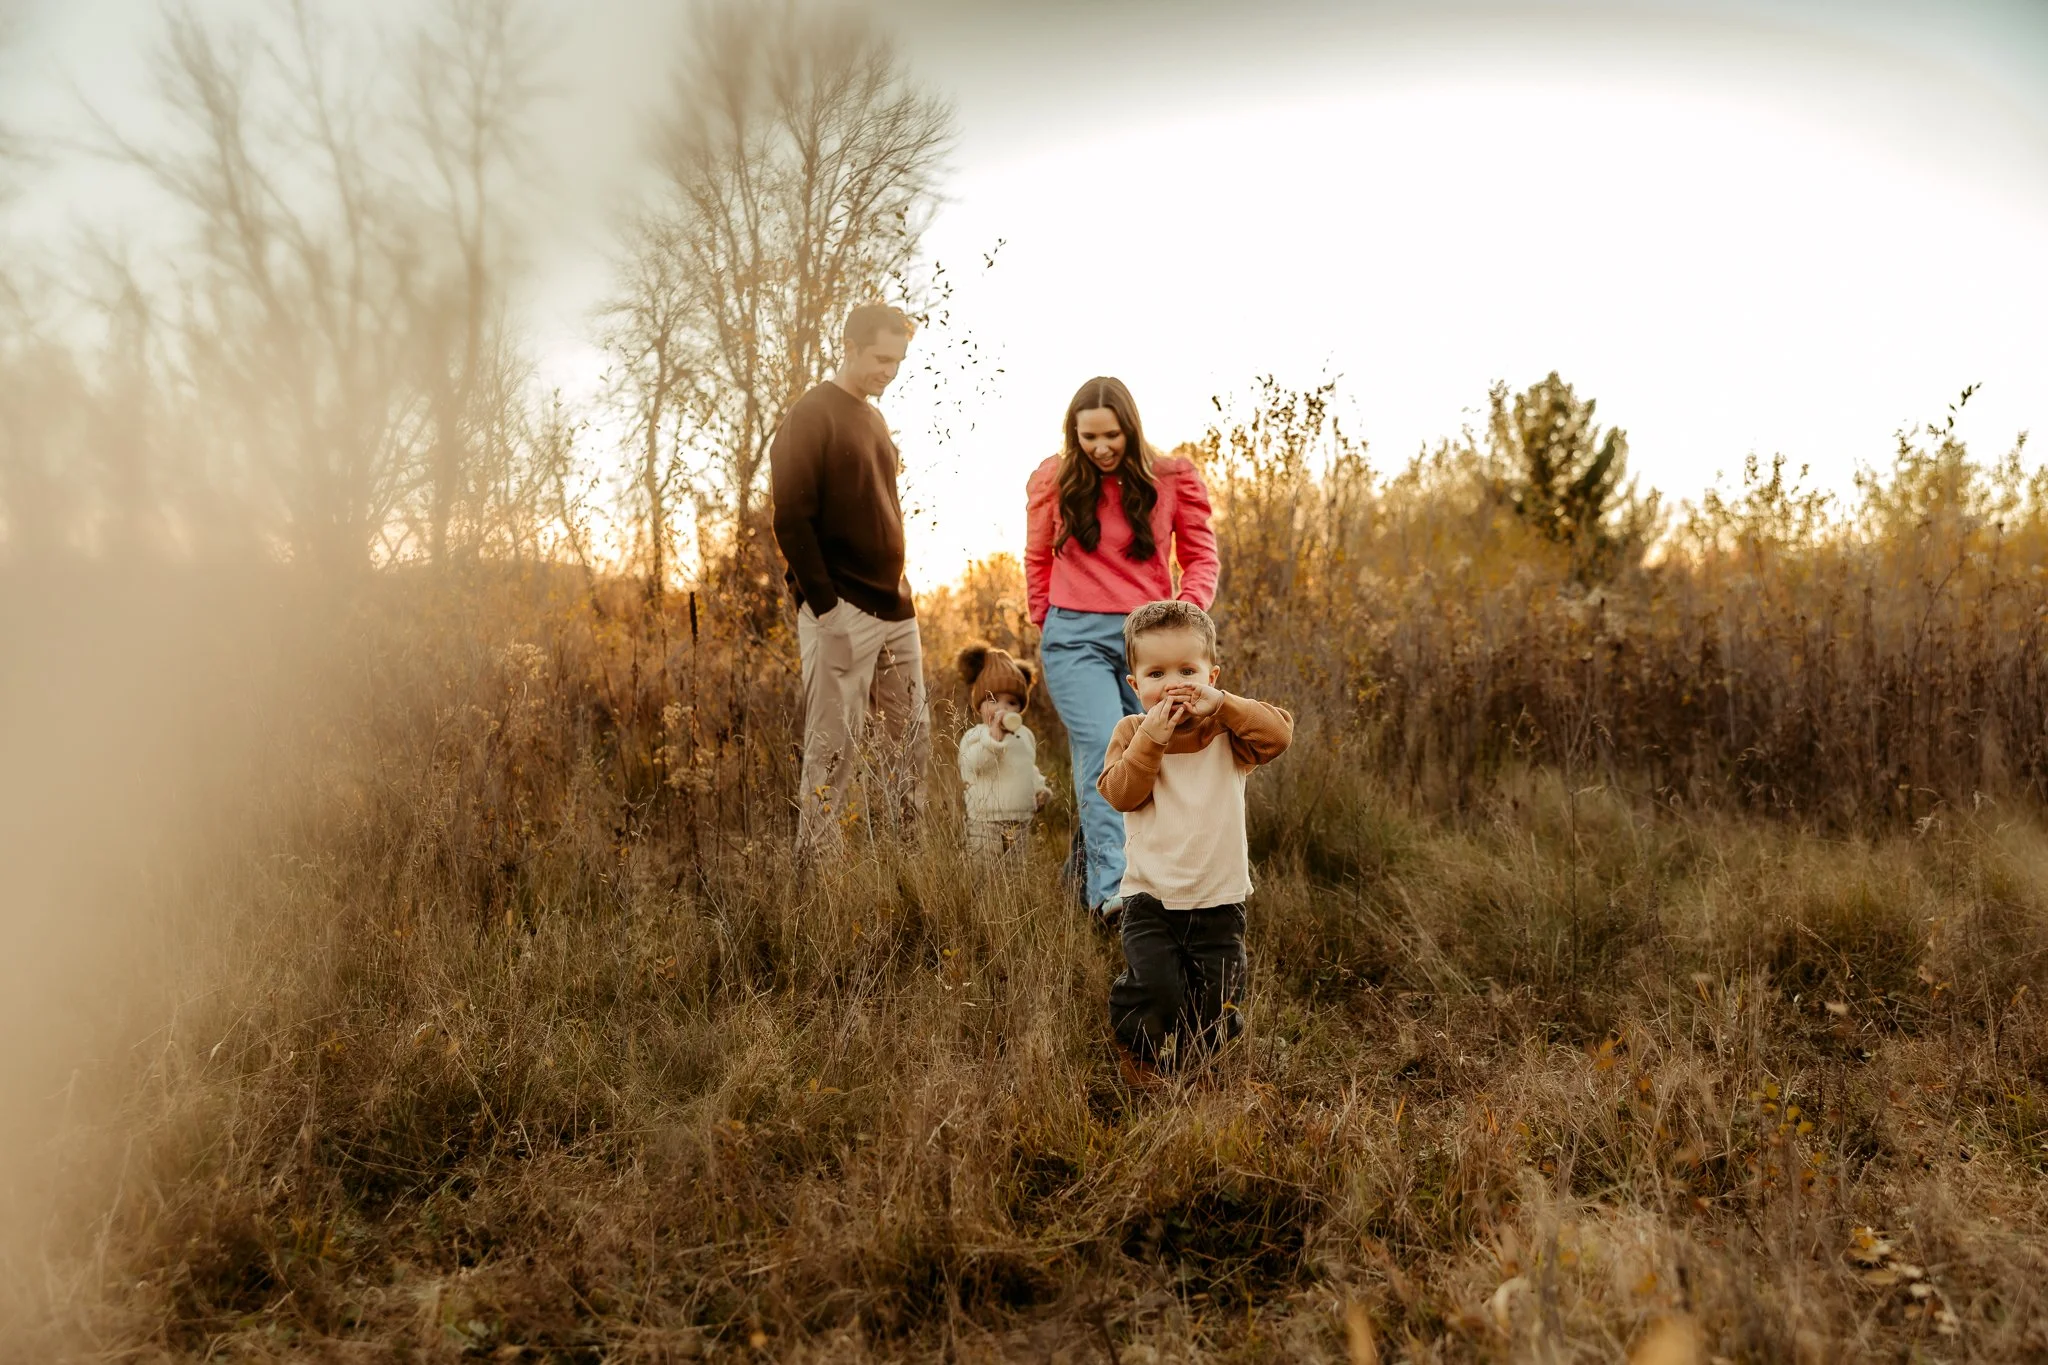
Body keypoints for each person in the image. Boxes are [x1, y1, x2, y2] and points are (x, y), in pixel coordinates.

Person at [1025, 377, 1219, 924]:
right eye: (1088, 437)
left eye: (1110, 435)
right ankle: (1116, 897)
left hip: (1148, 643)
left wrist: (1186, 616)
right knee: (1100, 751)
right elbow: (1037, 559)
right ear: (1074, 433)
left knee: (1148, 759)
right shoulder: (1054, 479)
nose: (1100, 447)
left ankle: (1085, 876)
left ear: (1130, 430)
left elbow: (1202, 557)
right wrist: (1045, 620)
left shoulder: (1173, 478)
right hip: (1074, 639)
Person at [1096, 601, 1292, 1084]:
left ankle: (1198, 1066)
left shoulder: (1229, 730)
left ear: (1211, 674)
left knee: (1217, 996)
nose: (1173, 684)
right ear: (1135, 684)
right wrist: (1151, 741)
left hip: (1219, 896)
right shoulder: (1132, 732)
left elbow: (1279, 735)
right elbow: (1121, 793)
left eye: (1188, 670)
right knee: (1157, 986)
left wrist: (1222, 704)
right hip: (1150, 896)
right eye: (1157, 673)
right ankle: (1138, 1052)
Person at [769, 303, 928, 859]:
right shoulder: (812, 415)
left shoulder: (874, 418)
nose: (892, 369)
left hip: (896, 610)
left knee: (912, 746)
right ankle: (820, 894)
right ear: (850, 346)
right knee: (832, 756)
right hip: (842, 611)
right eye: (883, 357)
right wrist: (827, 608)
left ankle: (907, 869)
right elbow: (790, 517)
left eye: (900, 360)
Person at [954, 643, 1052, 864]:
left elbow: (1027, 766)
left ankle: (1015, 898)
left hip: (1020, 820)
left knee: (1015, 874)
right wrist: (994, 739)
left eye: (1012, 703)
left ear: (1020, 709)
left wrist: (1039, 788)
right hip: (985, 821)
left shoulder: (1024, 735)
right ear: (979, 706)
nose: (1002, 709)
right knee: (985, 873)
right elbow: (975, 766)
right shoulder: (975, 736)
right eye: (993, 700)